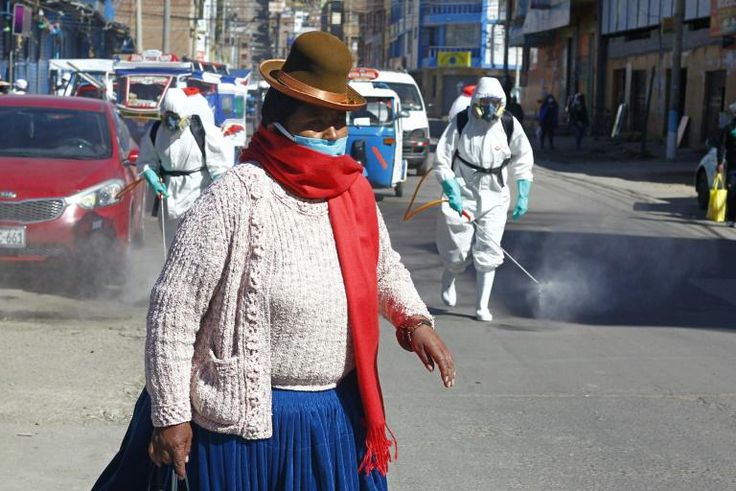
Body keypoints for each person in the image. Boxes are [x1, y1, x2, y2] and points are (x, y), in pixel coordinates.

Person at [93, 31, 455, 490]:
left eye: (339, 121)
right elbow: (173, 311)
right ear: (279, 120)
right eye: (315, 120)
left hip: (333, 417)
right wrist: (170, 414)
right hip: (244, 430)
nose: (330, 134)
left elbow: (383, 269)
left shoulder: (354, 193)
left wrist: (415, 322)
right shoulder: (235, 196)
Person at [434, 77, 534, 322]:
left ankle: (481, 306)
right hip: (463, 191)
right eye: (485, 102)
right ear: (476, 101)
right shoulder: (461, 122)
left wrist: (523, 190)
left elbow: (523, 156)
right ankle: (449, 277)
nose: (490, 108)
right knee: (457, 251)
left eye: (495, 102)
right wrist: (450, 187)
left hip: (495, 194)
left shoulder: (509, 124)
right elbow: (442, 159)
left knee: (489, 250)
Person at [136, 87, 232, 248]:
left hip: (197, 198)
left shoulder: (203, 132)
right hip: (168, 201)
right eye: (167, 118)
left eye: (175, 118)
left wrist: (220, 190)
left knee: (194, 247)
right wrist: (151, 177)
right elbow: (146, 161)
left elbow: (220, 167)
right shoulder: (155, 132)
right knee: (171, 247)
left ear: (185, 116)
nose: (171, 123)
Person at [717, 102, 736, 227]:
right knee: (733, 190)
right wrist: (720, 163)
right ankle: (731, 217)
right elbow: (721, 147)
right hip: (733, 165)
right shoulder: (729, 128)